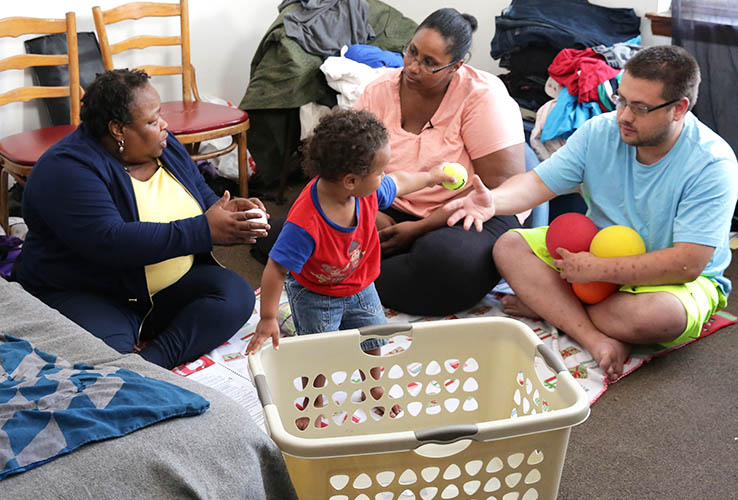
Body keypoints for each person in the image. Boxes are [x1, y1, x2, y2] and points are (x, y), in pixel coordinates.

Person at [444, 45, 738, 381]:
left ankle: (555, 308)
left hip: (671, 280)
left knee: (658, 317)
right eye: (621, 100)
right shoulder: (600, 130)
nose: (624, 116)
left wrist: (596, 270)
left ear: (678, 109)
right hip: (595, 253)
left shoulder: (713, 164)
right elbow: (537, 184)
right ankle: (595, 337)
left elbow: (686, 264)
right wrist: (492, 201)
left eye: (640, 108)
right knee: (510, 247)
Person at [13, 69, 270, 369]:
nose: (164, 125)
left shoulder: (161, 144)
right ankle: (131, 365)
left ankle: (152, 362)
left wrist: (228, 212)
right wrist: (204, 230)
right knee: (102, 357)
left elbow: (200, 194)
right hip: (95, 293)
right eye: (151, 121)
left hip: (158, 293)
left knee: (236, 295)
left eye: (159, 115)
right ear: (117, 129)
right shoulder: (66, 169)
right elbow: (111, 242)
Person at [355, 8, 527, 316]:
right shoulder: (378, 90)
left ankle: (349, 274)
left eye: (429, 63)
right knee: (306, 219)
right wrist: (369, 210)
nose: (413, 67)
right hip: (388, 201)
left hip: (475, 210)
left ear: (456, 66)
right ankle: (369, 269)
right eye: (412, 52)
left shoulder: (482, 97)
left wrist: (418, 228)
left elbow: (498, 189)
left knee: (448, 264)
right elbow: (349, 163)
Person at [246, 108, 454, 356]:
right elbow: (277, 268)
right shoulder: (304, 224)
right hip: (316, 294)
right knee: (319, 353)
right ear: (351, 181)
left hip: (360, 285)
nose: (384, 175)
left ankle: (373, 386)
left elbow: (400, 182)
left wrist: (432, 177)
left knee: (375, 338)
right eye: (379, 172)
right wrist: (267, 317)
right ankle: (316, 395)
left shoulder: (368, 192)